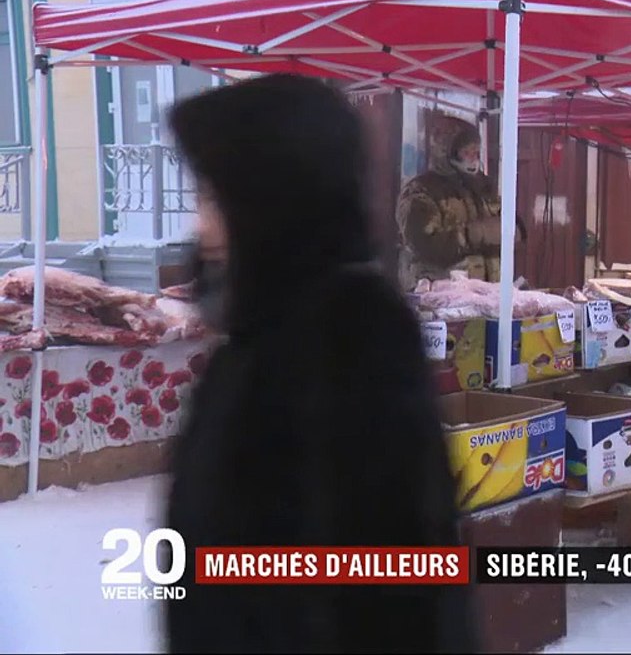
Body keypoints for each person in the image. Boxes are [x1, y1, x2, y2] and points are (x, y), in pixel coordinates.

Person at [164, 74, 476, 653]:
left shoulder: (352, 339)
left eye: (213, 198)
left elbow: (402, 587)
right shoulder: (253, 336)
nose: (201, 225)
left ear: (271, 199)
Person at [397, 115, 509, 287]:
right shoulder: (421, 190)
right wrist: (472, 235)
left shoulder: (485, 187)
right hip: (441, 294)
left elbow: (503, 222)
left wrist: (514, 229)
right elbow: (423, 245)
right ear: (447, 152)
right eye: (466, 152)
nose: (473, 158)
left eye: (476, 152)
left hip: (488, 293)